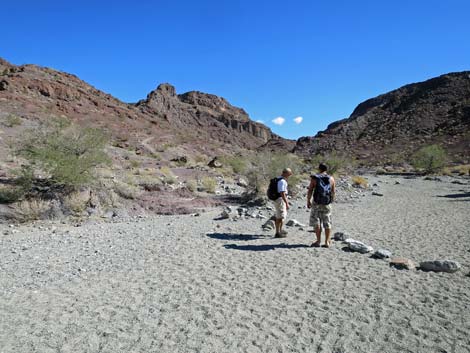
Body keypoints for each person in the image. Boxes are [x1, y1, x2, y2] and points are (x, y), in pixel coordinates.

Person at [307, 163, 335, 247]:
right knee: (327, 222)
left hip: (316, 203)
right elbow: (333, 192)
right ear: (326, 169)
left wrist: (308, 201)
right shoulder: (331, 178)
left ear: (319, 169)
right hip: (327, 203)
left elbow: (310, 190)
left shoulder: (314, 178)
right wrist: (331, 201)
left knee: (316, 221)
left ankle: (318, 241)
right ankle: (327, 242)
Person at [273, 168, 293, 238]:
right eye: (289, 173)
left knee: (280, 215)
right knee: (280, 216)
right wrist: (286, 203)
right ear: (285, 173)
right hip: (280, 200)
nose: (290, 175)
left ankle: (280, 230)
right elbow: (282, 193)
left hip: (277, 199)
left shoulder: (278, 179)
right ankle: (278, 232)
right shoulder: (282, 181)